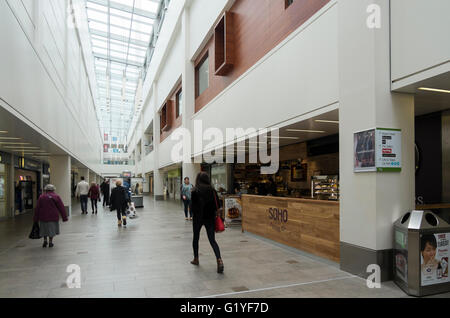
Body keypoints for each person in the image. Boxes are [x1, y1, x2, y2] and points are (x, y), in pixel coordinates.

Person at [190, 172, 224, 273]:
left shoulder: (195, 190)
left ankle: (196, 259)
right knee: (212, 240)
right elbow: (217, 205)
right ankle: (219, 260)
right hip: (210, 218)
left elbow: (192, 207)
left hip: (198, 218)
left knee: (196, 238)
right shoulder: (212, 190)